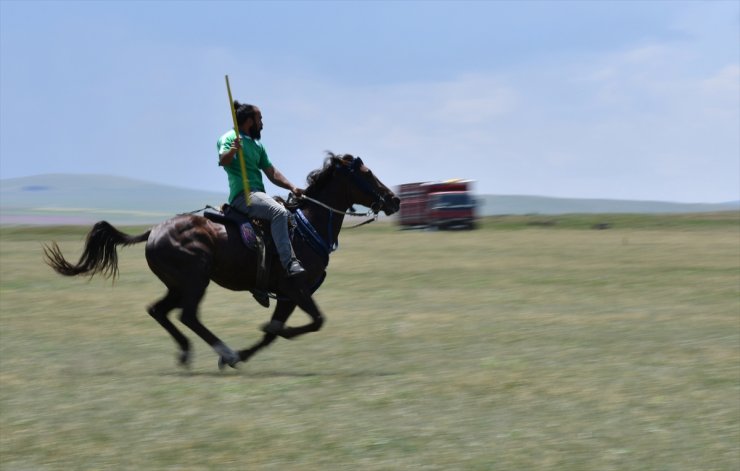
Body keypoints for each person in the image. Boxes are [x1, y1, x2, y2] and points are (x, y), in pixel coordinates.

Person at [217, 101, 305, 277]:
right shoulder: (229, 138)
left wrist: (292, 186)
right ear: (249, 121)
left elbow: (272, 173)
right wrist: (233, 150)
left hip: (259, 194)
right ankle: (289, 263)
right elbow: (223, 161)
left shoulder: (258, 146)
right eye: (260, 119)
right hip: (244, 196)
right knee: (279, 213)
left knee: (290, 216)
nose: (262, 123)